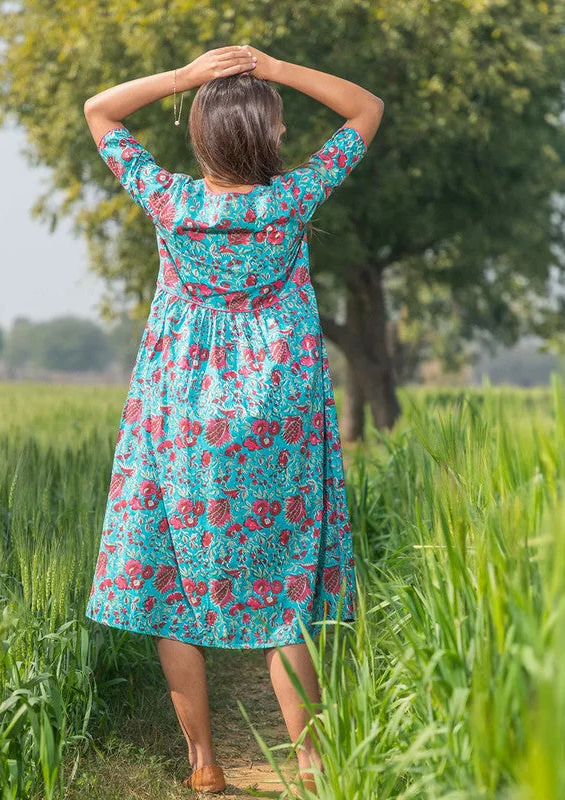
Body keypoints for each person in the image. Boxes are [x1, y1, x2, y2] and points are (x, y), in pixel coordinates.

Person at [83, 45, 383, 797]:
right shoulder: (293, 200)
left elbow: (100, 110)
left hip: (182, 412)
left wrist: (188, 78)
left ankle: (205, 764)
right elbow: (366, 109)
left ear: (202, 139)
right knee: (285, 599)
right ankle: (310, 765)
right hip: (276, 415)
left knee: (175, 591)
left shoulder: (170, 200)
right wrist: (275, 70)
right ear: (270, 139)